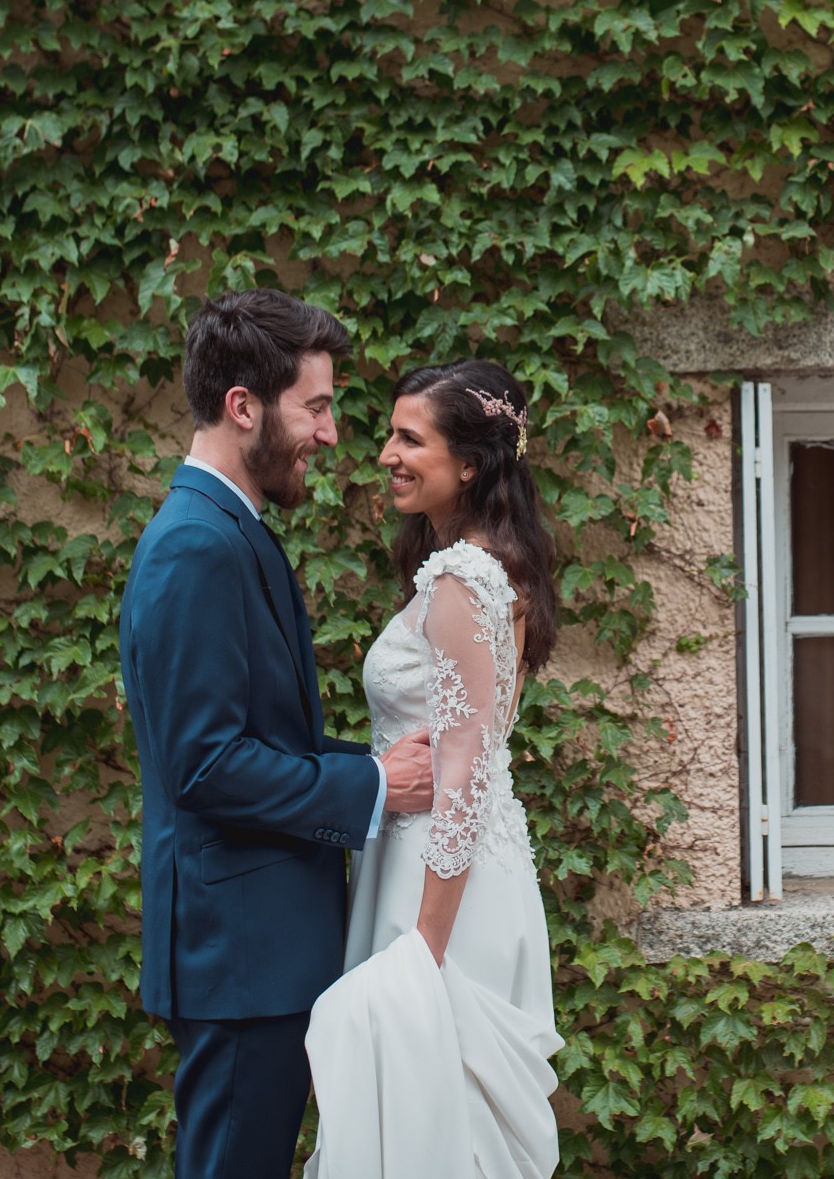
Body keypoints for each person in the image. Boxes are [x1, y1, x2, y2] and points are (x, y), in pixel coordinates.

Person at [118, 290, 435, 1179]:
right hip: (239, 959)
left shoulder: (230, 529)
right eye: (318, 406)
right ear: (243, 405)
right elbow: (208, 764)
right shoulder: (197, 546)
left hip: (259, 952)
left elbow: (261, 735)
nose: (332, 435)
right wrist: (374, 789)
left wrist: (372, 766)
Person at [302, 359, 563, 1179]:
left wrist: (422, 952)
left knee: (425, 1129)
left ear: (471, 464)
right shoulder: (490, 565)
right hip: (454, 873)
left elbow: (463, 777)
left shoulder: (463, 579)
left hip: (437, 893)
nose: (386, 453)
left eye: (409, 438)